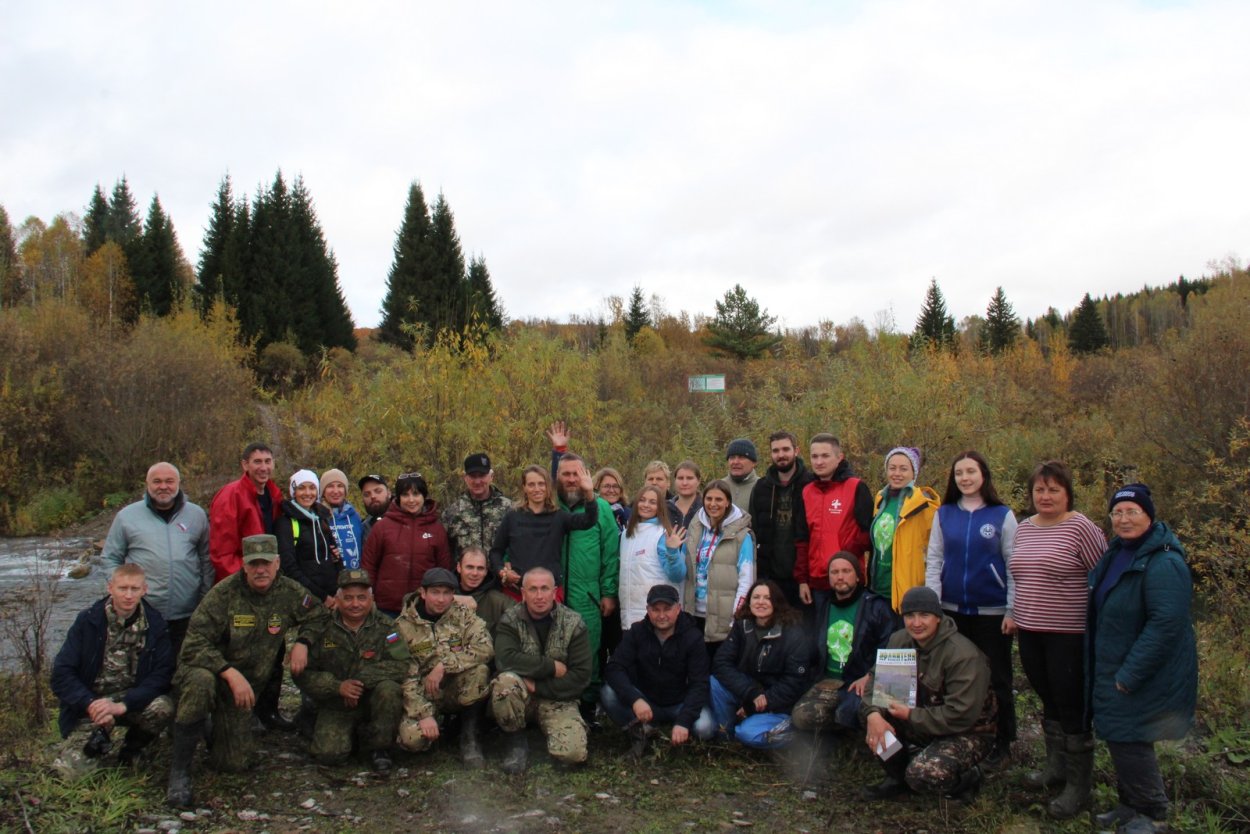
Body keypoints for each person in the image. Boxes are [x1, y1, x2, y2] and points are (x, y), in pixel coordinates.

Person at [166, 535, 326, 808]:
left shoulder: (289, 592)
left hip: (243, 693)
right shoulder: (223, 594)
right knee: (200, 683)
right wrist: (228, 672)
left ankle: (208, 727)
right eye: (254, 564)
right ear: (244, 565)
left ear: (277, 563)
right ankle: (179, 771)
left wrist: (303, 641)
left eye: (266, 563)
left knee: (234, 763)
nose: (260, 570)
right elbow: (192, 646)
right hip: (209, 674)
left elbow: (320, 615)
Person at [1087, 484, 1197, 834]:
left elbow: (1167, 624)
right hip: (1114, 660)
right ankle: (1130, 805)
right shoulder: (1119, 551)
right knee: (1121, 736)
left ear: (1149, 515)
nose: (1123, 519)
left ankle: (1152, 814)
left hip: (1139, 668)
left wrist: (1130, 673)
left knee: (1131, 737)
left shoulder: (1164, 561)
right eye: (1117, 512)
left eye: (1132, 511)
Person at [1010, 460, 1106, 819]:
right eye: (1039, 489)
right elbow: (1018, 576)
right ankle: (1055, 769)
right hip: (1030, 629)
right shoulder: (1024, 528)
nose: (1045, 496)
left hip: (1068, 633)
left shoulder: (1081, 527)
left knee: (1071, 704)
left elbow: (1102, 578)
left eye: (1053, 490)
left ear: (1067, 494)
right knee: (1047, 698)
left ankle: (1079, 787)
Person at [860, 586, 997, 802]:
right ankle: (897, 777)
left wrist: (910, 716)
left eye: (924, 615)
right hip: (920, 718)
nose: (916, 623)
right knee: (874, 717)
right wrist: (873, 714)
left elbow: (961, 715)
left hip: (968, 731)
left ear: (938, 618)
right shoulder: (899, 641)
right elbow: (876, 685)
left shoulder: (962, 655)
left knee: (921, 775)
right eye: (910, 616)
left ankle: (968, 778)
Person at [924, 451, 1018, 766]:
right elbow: (935, 559)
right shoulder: (944, 513)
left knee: (998, 676)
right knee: (954, 675)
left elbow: (1014, 565)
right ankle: (959, 734)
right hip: (951, 610)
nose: (965, 478)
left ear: (983, 475)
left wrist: (1012, 609)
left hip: (992, 611)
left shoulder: (1001, 515)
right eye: (959, 473)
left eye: (971, 472)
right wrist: (934, 606)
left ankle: (1003, 740)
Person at [51, 564, 174, 777]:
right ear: (110, 588)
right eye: (122, 588)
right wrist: (90, 705)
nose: (128, 595)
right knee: (72, 774)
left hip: (130, 701)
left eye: (134, 589)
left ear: (144, 590)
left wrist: (123, 705)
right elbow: (61, 674)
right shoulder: (88, 621)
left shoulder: (156, 625)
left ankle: (133, 750)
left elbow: (162, 676)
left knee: (163, 706)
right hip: (92, 704)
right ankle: (95, 745)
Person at [293, 569, 407, 772]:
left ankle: (380, 748)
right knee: (328, 755)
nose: (355, 604)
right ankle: (347, 733)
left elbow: (403, 665)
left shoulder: (387, 627)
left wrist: (360, 681)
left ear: (371, 599)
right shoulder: (321, 627)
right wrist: (338, 687)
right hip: (336, 703)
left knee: (390, 690)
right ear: (337, 599)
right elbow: (303, 673)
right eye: (348, 598)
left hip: (372, 701)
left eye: (362, 598)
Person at [100, 461, 211, 656]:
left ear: (178, 483)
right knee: (146, 669)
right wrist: (124, 592)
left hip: (187, 613)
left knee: (183, 669)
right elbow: (110, 558)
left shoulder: (196, 515)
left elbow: (206, 558)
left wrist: (204, 597)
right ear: (147, 484)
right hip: (143, 613)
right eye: (157, 481)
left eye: (169, 481)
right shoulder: (127, 517)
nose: (163, 486)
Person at [490, 567, 593, 773]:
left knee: (573, 755)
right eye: (533, 589)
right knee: (506, 682)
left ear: (554, 591)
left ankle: (556, 732)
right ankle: (515, 741)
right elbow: (504, 659)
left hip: (559, 699)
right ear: (523, 593)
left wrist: (537, 686)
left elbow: (581, 676)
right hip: (521, 695)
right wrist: (551, 666)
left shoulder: (574, 623)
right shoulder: (510, 620)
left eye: (544, 589)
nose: (539, 596)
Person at [395, 567, 495, 767]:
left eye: (446, 593)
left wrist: (444, 666)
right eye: (435, 592)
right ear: (422, 593)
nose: (441, 599)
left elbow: (485, 648)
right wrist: (423, 714)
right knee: (412, 740)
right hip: (423, 693)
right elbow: (404, 675)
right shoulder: (401, 627)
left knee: (479, 672)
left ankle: (469, 737)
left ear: (453, 595)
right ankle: (438, 730)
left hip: (454, 687)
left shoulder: (464, 616)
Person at [602, 584, 715, 757]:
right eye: (655, 609)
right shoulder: (637, 631)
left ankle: (679, 735)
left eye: (667, 609)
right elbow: (614, 668)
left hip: (680, 702)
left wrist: (684, 721)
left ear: (678, 609)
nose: (662, 616)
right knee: (607, 693)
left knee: (705, 728)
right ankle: (643, 731)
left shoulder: (693, 637)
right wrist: (635, 699)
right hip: (647, 700)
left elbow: (699, 684)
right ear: (648, 610)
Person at [792, 553, 894, 735]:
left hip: (862, 681)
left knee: (872, 711)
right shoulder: (823, 606)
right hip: (830, 682)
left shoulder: (876, 606)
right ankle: (847, 728)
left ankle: (859, 727)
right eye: (835, 572)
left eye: (846, 571)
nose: (840, 577)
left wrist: (871, 675)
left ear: (857, 576)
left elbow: (889, 647)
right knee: (801, 716)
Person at [553, 449, 620, 722]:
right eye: (565, 474)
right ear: (556, 476)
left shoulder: (600, 508)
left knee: (588, 651)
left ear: (586, 476)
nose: (571, 479)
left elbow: (610, 552)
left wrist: (608, 592)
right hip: (553, 594)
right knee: (554, 650)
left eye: (576, 474)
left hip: (588, 594)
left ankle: (588, 709)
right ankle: (556, 707)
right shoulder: (549, 505)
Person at [709, 580, 810, 749]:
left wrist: (757, 704)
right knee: (715, 683)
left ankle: (796, 736)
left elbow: (794, 682)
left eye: (767, 598)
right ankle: (726, 737)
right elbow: (721, 663)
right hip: (750, 692)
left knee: (747, 733)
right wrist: (750, 692)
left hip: (777, 705)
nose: (760, 602)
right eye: (756, 597)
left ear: (776, 602)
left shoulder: (793, 633)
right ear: (749, 602)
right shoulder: (742, 626)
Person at [489, 464, 600, 595]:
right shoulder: (512, 516)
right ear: (524, 488)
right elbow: (496, 552)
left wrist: (589, 493)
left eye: (541, 484)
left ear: (548, 487)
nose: (537, 489)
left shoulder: (559, 516)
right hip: (518, 590)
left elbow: (588, 520)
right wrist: (503, 572)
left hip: (550, 592)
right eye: (531, 484)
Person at [795, 434, 873, 608]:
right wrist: (802, 580)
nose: (819, 462)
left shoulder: (856, 487)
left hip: (848, 580)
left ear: (839, 457)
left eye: (825, 456)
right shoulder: (806, 492)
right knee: (819, 633)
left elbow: (868, 535)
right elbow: (802, 540)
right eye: (814, 456)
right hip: (816, 582)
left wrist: (846, 556)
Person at [360, 471, 452, 617]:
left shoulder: (436, 529)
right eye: (405, 495)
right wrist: (367, 596)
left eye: (416, 494)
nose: (411, 500)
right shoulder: (382, 527)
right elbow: (368, 566)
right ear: (397, 498)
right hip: (386, 608)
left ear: (424, 496)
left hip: (423, 608)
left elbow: (444, 568)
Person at [683, 480, 755, 656]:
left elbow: (746, 579)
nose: (713, 504)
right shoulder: (695, 528)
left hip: (724, 617)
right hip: (694, 613)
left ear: (727, 502)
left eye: (719, 499)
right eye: (709, 499)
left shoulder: (741, 536)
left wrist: (735, 615)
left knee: (719, 669)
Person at [749, 431, 815, 610]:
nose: (781, 455)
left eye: (786, 449)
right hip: (770, 576)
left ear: (796, 451)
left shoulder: (811, 484)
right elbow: (753, 531)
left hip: (803, 576)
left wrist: (806, 577)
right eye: (776, 451)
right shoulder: (762, 487)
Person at [209, 442, 283, 582]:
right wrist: (246, 580)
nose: (263, 468)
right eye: (257, 462)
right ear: (245, 465)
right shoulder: (231, 496)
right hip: (244, 580)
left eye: (267, 462)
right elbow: (222, 553)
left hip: (268, 577)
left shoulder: (274, 495)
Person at [617, 485, 687, 629]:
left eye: (652, 502)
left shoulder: (662, 534)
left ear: (660, 507)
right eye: (642, 500)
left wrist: (673, 551)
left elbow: (677, 576)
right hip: (628, 615)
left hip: (657, 616)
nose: (646, 505)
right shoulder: (626, 534)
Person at [276, 469, 342, 607]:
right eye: (301, 488)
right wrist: (324, 598)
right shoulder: (285, 523)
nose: (307, 493)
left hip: (332, 597)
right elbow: (289, 568)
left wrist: (339, 590)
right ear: (293, 492)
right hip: (303, 601)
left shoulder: (321, 519)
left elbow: (335, 556)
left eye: (312, 488)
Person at [441, 453, 512, 560]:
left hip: (500, 574)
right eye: (473, 476)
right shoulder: (452, 513)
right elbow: (444, 552)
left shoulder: (509, 509)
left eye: (482, 475)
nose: (477, 481)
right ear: (465, 478)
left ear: (491, 476)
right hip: (466, 575)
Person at [452, 545, 517, 638]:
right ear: (459, 567)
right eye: (469, 567)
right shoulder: (443, 596)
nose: (475, 573)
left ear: (486, 571)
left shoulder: (499, 601)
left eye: (480, 568)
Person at [320, 468, 364, 569]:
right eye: (330, 486)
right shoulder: (318, 517)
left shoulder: (354, 516)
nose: (336, 491)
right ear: (323, 491)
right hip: (330, 578)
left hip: (356, 578)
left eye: (340, 486)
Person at [723, 438, 760, 514]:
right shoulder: (718, 486)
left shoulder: (763, 487)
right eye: (732, 457)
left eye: (741, 457)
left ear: (753, 463)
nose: (736, 462)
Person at [357, 474, 390, 542]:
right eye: (366, 494)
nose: (372, 496)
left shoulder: (406, 520)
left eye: (378, 491)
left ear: (389, 493)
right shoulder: (362, 529)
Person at [671, 460, 703, 529]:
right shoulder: (666, 509)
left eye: (689, 478)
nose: (684, 483)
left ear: (698, 481)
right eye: (680, 478)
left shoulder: (706, 509)